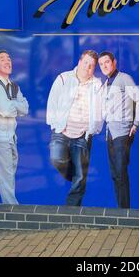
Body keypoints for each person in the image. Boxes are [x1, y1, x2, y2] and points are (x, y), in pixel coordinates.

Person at [47, 50, 103, 206]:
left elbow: (99, 108)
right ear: (79, 62)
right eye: (85, 63)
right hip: (62, 130)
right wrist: (54, 124)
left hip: (83, 134)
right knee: (56, 159)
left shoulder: (97, 84)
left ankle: (72, 208)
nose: (88, 67)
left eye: (91, 66)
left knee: (80, 175)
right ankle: (74, 175)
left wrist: (93, 129)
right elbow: (53, 100)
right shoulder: (63, 78)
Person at [98, 51, 139, 209]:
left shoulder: (123, 78)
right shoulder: (106, 83)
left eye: (107, 62)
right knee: (115, 175)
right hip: (110, 133)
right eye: (101, 64)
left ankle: (125, 213)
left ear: (114, 62)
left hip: (122, 133)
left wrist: (135, 124)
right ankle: (121, 210)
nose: (104, 66)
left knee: (121, 173)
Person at [0, 50, 29, 205]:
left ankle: (10, 209)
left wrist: (13, 105)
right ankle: (12, 211)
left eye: (9, 58)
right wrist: (15, 105)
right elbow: (5, 110)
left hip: (10, 137)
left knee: (9, 176)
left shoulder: (13, 86)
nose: (7, 61)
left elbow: (25, 109)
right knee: (6, 176)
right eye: (2, 59)